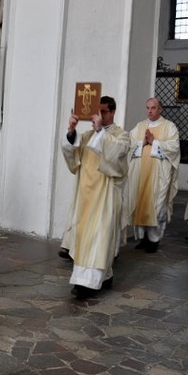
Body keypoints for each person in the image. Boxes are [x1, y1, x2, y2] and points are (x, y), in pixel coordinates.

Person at [60, 96, 130, 299]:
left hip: (106, 198)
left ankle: (87, 284)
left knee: (99, 238)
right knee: (85, 239)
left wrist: (100, 131)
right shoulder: (87, 135)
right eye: (96, 112)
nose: (99, 116)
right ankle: (105, 276)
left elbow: (117, 155)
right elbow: (71, 157)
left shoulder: (121, 135)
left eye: (104, 112)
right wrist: (72, 131)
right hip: (85, 198)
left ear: (113, 112)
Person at [123, 97, 180, 253]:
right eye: (148, 108)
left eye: (153, 108)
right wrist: (142, 142)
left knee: (157, 205)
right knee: (140, 202)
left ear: (160, 109)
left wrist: (154, 142)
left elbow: (174, 147)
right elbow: (130, 143)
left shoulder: (169, 126)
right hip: (140, 173)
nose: (150, 111)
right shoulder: (140, 126)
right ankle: (142, 239)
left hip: (159, 174)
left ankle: (153, 240)